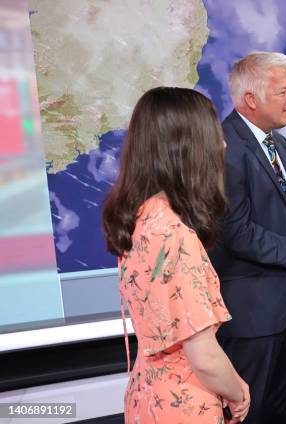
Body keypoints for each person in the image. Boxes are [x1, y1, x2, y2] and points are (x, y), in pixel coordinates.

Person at [102, 87, 250, 423]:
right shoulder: (176, 237)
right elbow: (205, 358)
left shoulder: (140, 218)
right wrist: (238, 391)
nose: (223, 145)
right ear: (186, 149)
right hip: (184, 404)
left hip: (147, 395)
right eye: (213, 135)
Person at [208, 51, 286, 423]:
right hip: (249, 314)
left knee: (277, 407)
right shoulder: (224, 148)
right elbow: (235, 231)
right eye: (284, 91)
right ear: (251, 99)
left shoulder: (278, 144)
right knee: (249, 412)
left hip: (281, 306)